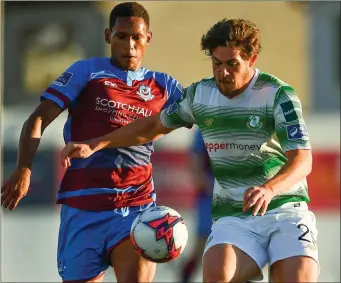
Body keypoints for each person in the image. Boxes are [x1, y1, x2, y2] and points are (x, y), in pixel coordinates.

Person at [59, 18, 320, 283]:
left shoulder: (277, 95)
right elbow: (152, 126)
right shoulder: (200, 96)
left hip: (285, 212)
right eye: (217, 64)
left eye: (232, 64)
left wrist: (269, 189)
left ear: (251, 60)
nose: (224, 73)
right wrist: (97, 143)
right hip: (233, 218)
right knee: (217, 273)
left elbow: (302, 160)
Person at [1, 2, 185, 282]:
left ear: (148, 38)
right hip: (82, 206)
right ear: (108, 35)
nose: (130, 44)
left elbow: (209, 116)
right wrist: (24, 168)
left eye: (137, 37)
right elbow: (37, 119)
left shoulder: (166, 86)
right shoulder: (87, 72)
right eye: (122, 36)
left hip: (134, 206)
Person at [180, 128, 213, 283]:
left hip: (239, 197)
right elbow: (194, 157)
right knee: (202, 246)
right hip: (211, 198)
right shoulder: (207, 124)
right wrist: (202, 181)